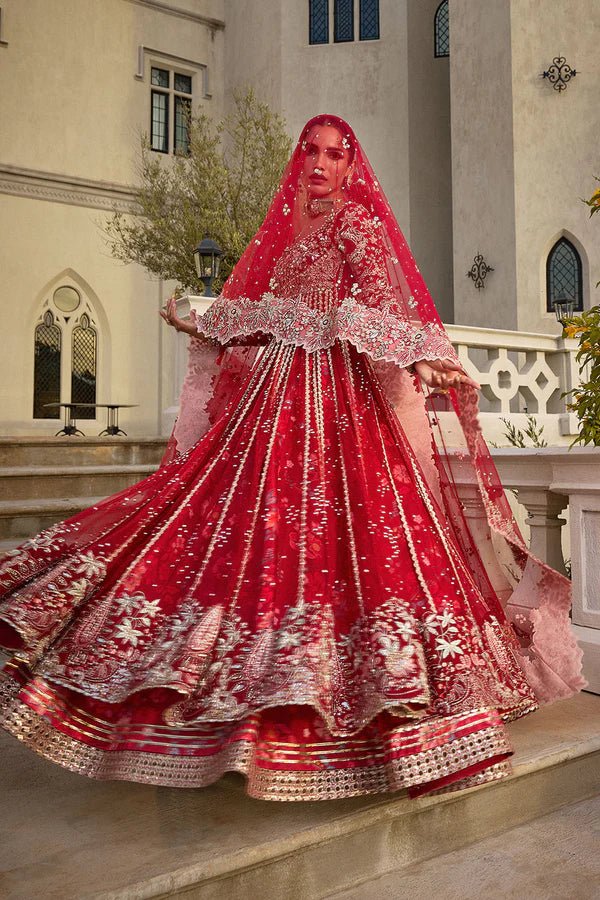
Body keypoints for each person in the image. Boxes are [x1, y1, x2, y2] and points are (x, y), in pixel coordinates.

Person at [0, 115, 584, 801]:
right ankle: (236, 714)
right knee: (226, 530)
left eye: (336, 154)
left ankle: (362, 721)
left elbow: (380, 306)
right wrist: (205, 319)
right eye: (312, 150)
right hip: (270, 406)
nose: (321, 163)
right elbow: (267, 313)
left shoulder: (356, 227)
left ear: (350, 167)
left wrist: (426, 356)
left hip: (337, 406)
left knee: (349, 543)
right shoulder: (288, 232)